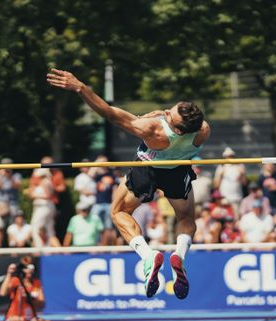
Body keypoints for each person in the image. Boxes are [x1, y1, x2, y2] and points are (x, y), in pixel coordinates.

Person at [47, 68, 210, 299]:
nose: (165, 111)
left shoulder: (152, 130)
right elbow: (182, 125)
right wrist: (162, 116)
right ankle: (179, 257)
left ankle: (147, 256)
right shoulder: (201, 131)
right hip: (177, 170)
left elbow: (110, 113)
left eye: (168, 114)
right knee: (186, 219)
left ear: (175, 128)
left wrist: (80, 88)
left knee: (119, 212)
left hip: (146, 169)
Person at [0, 255, 50, 321]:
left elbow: (41, 303)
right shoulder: (16, 281)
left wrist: (29, 298)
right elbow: (2, 293)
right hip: (14, 316)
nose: (28, 270)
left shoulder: (36, 283)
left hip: (30, 317)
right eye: (26, 267)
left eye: (30, 267)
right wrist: (9, 273)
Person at [213, 147, 246, 216]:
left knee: (236, 218)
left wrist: (242, 174)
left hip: (236, 198)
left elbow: (244, 183)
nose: (229, 158)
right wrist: (220, 175)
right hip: (224, 198)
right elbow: (216, 185)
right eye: (227, 156)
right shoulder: (221, 167)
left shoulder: (240, 166)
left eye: (231, 156)